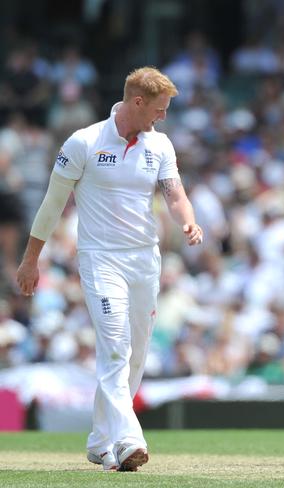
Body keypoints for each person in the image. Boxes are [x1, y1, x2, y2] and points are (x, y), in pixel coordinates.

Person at [16, 67, 203, 472]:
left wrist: (187, 219)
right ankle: (128, 439)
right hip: (100, 258)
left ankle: (100, 441)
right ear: (137, 102)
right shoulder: (83, 142)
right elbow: (52, 204)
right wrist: (31, 259)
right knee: (115, 347)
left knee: (134, 356)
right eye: (160, 108)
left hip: (144, 259)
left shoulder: (161, 145)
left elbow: (175, 194)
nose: (164, 116)